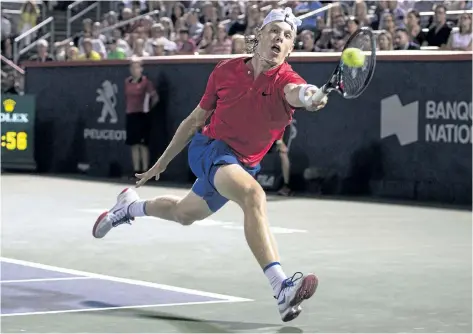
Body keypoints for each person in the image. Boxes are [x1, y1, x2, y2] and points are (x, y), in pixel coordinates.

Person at [92, 7, 328, 322]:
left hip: (241, 165)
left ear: (290, 49)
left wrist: (310, 94)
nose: (280, 38)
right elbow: (193, 122)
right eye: (275, 31)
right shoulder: (225, 71)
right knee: (254, 197)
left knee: (184, 214)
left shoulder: (287, 80)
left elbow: (297, 93)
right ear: (259, 35)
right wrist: (159, 164)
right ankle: (281, 288)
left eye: (287, 37)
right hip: (209, 150)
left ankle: (129, 207)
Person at [124, 57, 159, 175]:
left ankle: (144, 171)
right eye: (132, 67)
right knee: (134, 144)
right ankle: (136, 171)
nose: (134, 70)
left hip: (143, 116)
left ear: (141, 69)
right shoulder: (127, 82)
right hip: (131, 115)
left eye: (137, 67)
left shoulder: (146, 83)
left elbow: (155, 97)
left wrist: (147, 109)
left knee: (143, 145)